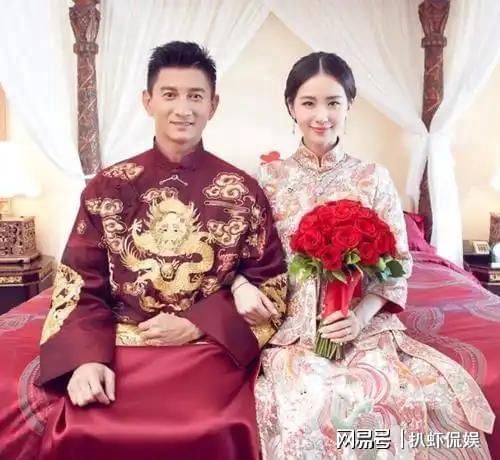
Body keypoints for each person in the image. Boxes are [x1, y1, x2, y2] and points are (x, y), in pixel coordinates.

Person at [0, 41, 287, 460]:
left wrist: (197, 324)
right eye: (170, 94)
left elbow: (271, 287)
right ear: (148, 100)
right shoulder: (108, 187)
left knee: (213, 425)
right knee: (87, 421)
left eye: (195, 96)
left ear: (213, 105)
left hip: (205, 349)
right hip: (119, 343)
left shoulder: (242, 191)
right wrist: (85, 360)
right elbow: (80, 283)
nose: (183, 109)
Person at [232, 52, 495, 459]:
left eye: (333, 102)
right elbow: (237, 256)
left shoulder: (372, 178)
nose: (322, 115)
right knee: (309, 403)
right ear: (291, 107)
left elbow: (397, 266)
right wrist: (241, 286)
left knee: (398, 395)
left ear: (349, 105)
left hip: (362, 324)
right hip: (291, 328)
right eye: (308, 102)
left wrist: (359, 317)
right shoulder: (267, 179)